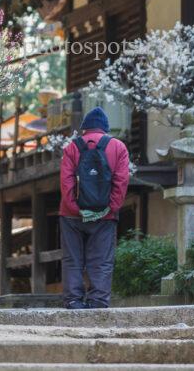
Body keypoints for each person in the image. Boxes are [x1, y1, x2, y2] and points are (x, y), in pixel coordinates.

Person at [59, 106, 130, 309]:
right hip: (105, 216)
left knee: (72, 259)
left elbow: (66, 181)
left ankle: (73, 300)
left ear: (84, 129)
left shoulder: (72, 147)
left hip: (71, 216)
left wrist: (75, 208)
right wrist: (111, 207)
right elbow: (121, 181)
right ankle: (98, 300)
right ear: (105, 129)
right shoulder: (118, 147)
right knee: (101, 260)